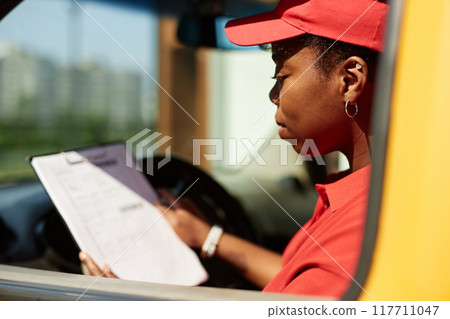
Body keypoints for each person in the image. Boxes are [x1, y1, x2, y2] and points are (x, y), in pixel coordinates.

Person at [79, 0, 389, 298]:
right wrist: (207, 236)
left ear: (349, 80)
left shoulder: (363, 226)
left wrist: (124, 303)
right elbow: (293, 275)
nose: (273, 94)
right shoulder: (369, 195)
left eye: (281, 77)